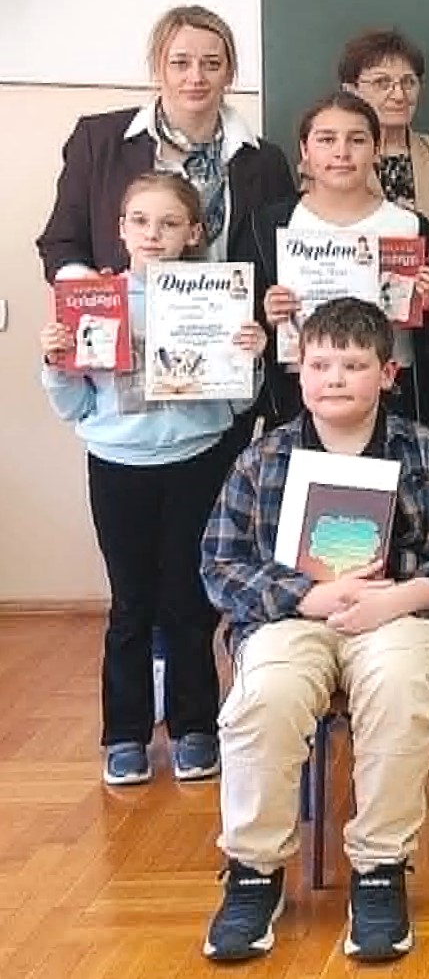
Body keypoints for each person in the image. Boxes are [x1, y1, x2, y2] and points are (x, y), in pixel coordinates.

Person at [199, 299, 429, 963]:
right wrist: (307, 595)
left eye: (353, 365)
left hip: (397, 616)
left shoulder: (426, 453)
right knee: (263, 698)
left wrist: (400, 599)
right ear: (298, 371)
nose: (334, 378)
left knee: (401, 691)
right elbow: (219, 564)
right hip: (291, 619)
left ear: (387, 374)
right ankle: (253, 873)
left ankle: (380, 870)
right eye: (321, 364)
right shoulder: (262, 459)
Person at [39, 174, 266, 786]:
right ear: (120, 229)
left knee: (190, 601)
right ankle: (125, 735)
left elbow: (238, 405)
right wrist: (56, 361)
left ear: (194, 232)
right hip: (118, 465)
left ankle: (195, 728)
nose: (153, 234)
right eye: (140, 221)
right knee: (131, 604)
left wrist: (248, 358)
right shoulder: (94, 299)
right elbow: (72, 406)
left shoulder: (218, 297)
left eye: (169, 223)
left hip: (196, 462)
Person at [232, 92, 429, 430]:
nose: (342, 152)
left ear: (376, 149)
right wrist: (266, 314)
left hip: (393, 397)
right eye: (326, 139)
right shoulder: (267, 227)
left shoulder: (411, 227)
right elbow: (242, 323)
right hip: (302, 400)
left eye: (357, 140)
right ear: (305, 150)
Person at [39, 5, 298, 282]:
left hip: (234, 310)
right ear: (158, 68)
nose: (196, 77)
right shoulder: (99, 141)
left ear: (229, 73)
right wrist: (90, 288)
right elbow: (62, 243)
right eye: (180, 63)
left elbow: (282, 260)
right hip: (126, 308)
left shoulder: (265, 161)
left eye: (212, 64)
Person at [337, 28, 429, 275]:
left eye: (408, 82)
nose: (399, 95)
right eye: (382, 83)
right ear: (351, 91)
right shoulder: (332, 161)